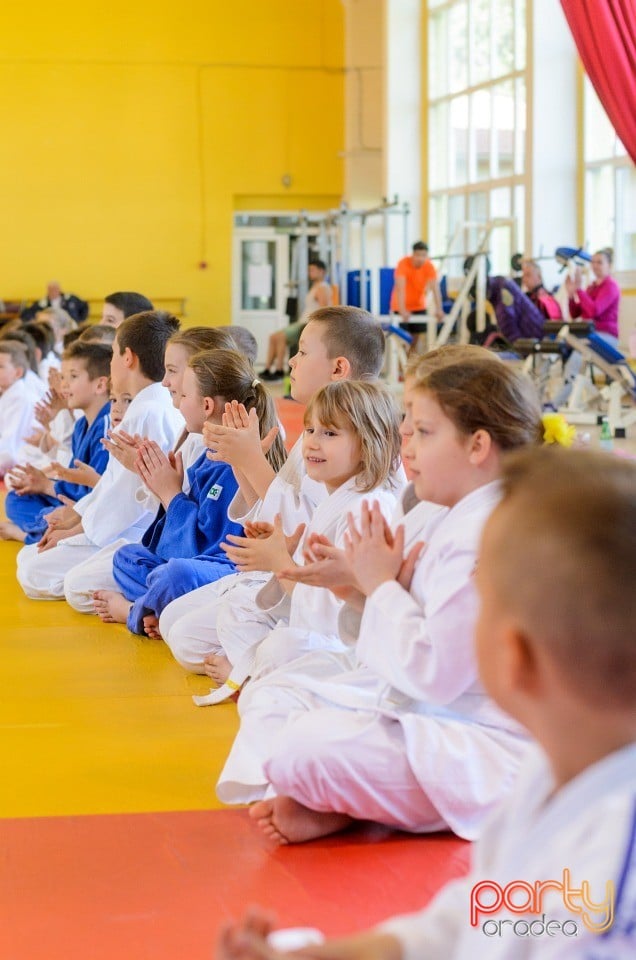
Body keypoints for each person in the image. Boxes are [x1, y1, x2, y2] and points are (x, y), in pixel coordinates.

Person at [217, 448, 636, 960]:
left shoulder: (617, 852)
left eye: (482, 596)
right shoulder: (552, 780)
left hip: (468, 739)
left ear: (515, 655)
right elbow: (471, 922)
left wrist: (380, 587)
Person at [224, 357, 542, 831]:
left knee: (305, 745)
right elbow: (398, 627)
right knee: (275, 698)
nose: (406, 447)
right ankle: (325, 798)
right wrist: (352, 587)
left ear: (477, 446)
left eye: (423, 433)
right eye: (407, 428)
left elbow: (435, 674)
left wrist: (376, 584)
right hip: (420, 703)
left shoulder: (487, 532)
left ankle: (335, 802)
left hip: (478, 738)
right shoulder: (442, 512)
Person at [158, 306, 386, 676]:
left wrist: (251, 461)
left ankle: (250, 665)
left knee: (201, 635)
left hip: (319, 601)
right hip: (290, 584)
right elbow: (284, 515)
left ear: (338, 368)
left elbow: (300, 525)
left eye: (302, 352)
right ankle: (252, 661)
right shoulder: (316, 431)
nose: (291, 361)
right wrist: (240, 460)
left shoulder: (357, 450)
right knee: (177, 626)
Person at [197, 380, 402, 707]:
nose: (312, 443)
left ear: (368, 444)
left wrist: (282, 564)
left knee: (281, 648)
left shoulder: (368, 509)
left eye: (330, 434)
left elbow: (336, 618)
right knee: (241, 614)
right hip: (314, 628)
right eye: (309, 430)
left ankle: (251, 678)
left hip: (351, 648)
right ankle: (253, 676)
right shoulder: (339, 497)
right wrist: (288, 551)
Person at [91, 350, 286, 636]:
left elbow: (205, 549)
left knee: (174, 575)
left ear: (206, 405)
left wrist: (171, 494)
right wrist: (161, 482)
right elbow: (173, 546)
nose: (177, 403)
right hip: (196, 564)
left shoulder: (239, 458)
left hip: (225, 568)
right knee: (128, 558)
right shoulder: (206, 452)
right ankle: (161, 606)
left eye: (183, 397)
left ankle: (135, 611)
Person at [62, 325, 241, 617]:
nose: (166, 381)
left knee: (83, 584)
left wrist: (166, 488)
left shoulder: (223, 445)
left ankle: (141, 609)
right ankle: (162, 603)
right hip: (176, 549)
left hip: (201, 561)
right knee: (126, 560)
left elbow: (203, 543)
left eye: (172, 370)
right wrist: (146, 470)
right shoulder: (195, 431)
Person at [15, 311, 184, 601]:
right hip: (115, 522)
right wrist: (76, 516)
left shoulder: (147, 411)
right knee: (28, 559)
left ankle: (142, 595)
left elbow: (127, 499)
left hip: (133, 530)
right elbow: (113, 483)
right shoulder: (147, 405)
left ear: (127, 357)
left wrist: (82, 529)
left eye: (114, 354)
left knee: (38, 574)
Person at [0, 342, 111, 543]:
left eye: (73, 377)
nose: (64, 385)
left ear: (100, 385)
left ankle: (33, 533)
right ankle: (50, 528)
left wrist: (46, 485)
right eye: (63, 377)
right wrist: (43, 482)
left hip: (91, 509)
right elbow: (70, 478)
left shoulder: (107, 428)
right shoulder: (82, 426)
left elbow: (97, 493)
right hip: (71, 502)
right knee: (16, 498)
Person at [555, 247, 622, 407]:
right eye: (593, 262)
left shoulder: (611, 286)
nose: (595, 265)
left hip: (606, 337)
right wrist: (572, 295)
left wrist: (578, 288)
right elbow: (576, 312)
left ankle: (556, 403)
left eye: (600, 262)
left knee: (575, 362)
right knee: (574, 362)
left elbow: (593, 311)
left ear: (609, 265)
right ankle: (583, 402)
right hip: (590, 336)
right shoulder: (591, 287)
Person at [259, 260, 331, 381]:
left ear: (322, 271)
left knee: (280, 337)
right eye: (309, 270)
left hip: (306, 324)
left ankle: (279, 370)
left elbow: (324, 309)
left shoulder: (322, 288)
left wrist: (315, 327)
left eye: (312, 270)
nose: (310, 273)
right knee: (273, 337)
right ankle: (267, 369)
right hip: (302, 322)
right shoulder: (316, 286)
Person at [0, 341, 37, 477]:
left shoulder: (20, 398)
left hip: (23, 463)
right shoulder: (7, 394)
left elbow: (9, 452)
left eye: (1, 367)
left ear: (18, 372)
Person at [390, 241, 443, 324]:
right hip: (400, 306)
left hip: (419, 305)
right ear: (413, 254)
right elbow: (400, 288)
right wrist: (402, 310)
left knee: (416, 336)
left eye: (424, 255)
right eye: (418, 255)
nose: (421, 258)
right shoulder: (403, 263)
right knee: (402, 335)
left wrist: (439, 309)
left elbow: (435, 289)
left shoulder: (429, 266)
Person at [21, 280, 88, 324]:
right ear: (47, 290)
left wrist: (81, 320)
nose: (53, 291)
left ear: (59, 289)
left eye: (55, 289)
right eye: (51, 289)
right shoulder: (42, 303)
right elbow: (27, 314)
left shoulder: (70, 299)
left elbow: (84, 306)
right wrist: (35, 317)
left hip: (69, 324)